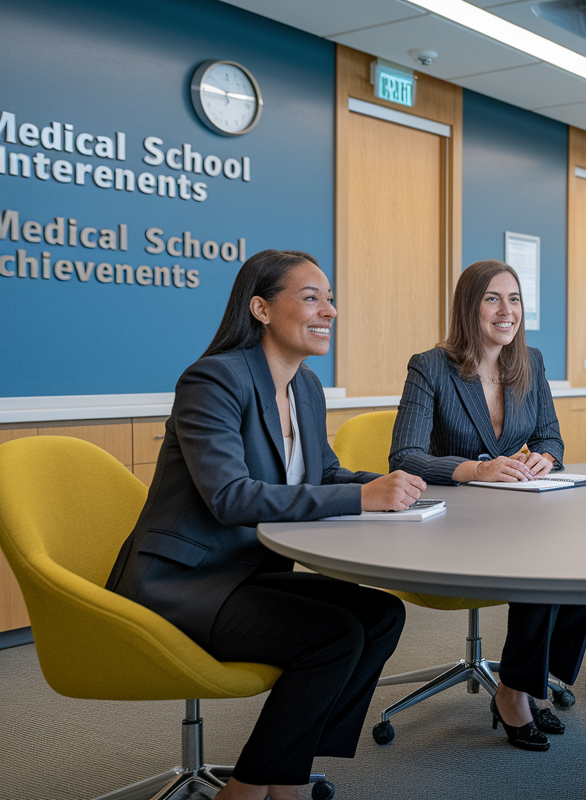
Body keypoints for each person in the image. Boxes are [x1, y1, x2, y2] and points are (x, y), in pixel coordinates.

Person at [107, 250, 426, 800]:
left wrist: (401, 486)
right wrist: (360, 497)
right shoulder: (212, 380)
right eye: (311, 297)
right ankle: (254, 788)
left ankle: (285, 773)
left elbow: (323, 473)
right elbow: (230, 498)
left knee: (380, 614)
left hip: (245, 571)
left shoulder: (304, 387)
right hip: (184, 583)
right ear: (259, 307)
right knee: (332, 637)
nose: (329, 309)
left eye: (330, 298)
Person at [389, 258, 586, 752]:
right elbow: (405, 456)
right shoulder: (431, 367)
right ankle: (515, 692)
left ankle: (525, 680)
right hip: (452, 523)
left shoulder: (531, 362)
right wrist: (475, 468)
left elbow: (551, 436)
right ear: (470, 306)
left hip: (518, 512)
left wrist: (547, 458)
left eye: (515, 299)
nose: (507, 311)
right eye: (492, 299)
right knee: (541, 567)